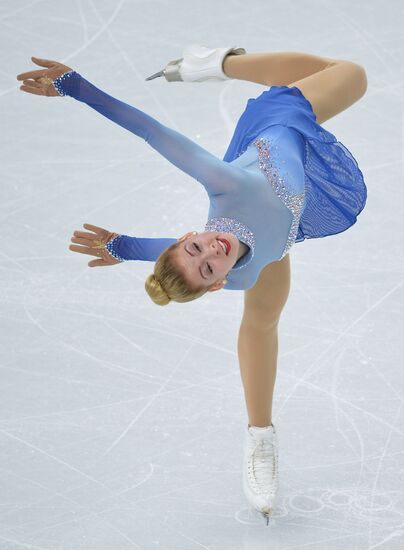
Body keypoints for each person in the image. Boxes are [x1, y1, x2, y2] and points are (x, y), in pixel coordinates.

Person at [16, 45, 368, 523]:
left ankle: (218, 63)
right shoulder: (242, 274)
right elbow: (183, 262)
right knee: (262, 322)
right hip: (286, 227)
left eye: (194, 245)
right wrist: (129, 248)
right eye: (206, 267)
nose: (211, 250)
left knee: (351, 74)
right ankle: (259, 438)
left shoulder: (223, 183)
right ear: (216, 286)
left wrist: (77, 88)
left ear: (189, 235)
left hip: (278, 123)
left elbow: (151, 130)